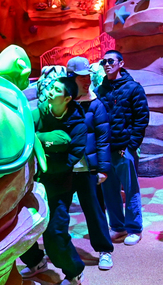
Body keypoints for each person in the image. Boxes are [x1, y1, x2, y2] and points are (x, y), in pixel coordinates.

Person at [20, 77, 87, 285]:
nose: (50, 91)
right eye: (51, 87)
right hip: (32, 185)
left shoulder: (77, 125)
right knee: (22, 228)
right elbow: (24, 134)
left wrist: (42, 146)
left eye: (57, 90)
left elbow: (70, 160)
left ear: (67, 99)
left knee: (55, 234)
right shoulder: (38, 113)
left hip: (59, 188)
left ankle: (74, 272)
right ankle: (36, 262)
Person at [97, 50, 149, 246]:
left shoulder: (133, 88)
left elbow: (141, 118)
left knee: (130, 189)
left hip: (124, 149)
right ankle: (118, 227)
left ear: (121, 63)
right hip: (106, 150)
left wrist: (131, 146)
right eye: (104, 62)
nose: (107, 64)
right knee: (109, 190)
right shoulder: (100, 90)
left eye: (111, 61)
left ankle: (134, 228)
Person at [66, 56, 114, 270]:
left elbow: (103, 139)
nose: (87, 81)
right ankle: (59, 254)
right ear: (71, 78)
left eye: (88, 76)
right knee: (59, 213)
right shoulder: (61, 101)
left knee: (95, 211)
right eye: (81, 77)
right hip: (66, 169)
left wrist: (103, 168)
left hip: (88, 169)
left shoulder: (96, 104)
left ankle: (105, 250)